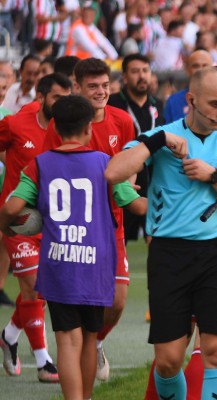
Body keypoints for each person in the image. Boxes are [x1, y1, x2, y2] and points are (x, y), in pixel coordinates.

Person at [105, 66, 217, 400]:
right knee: (168, 361)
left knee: (216, 353)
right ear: (191, 100)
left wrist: (215, 178)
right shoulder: (163, 135)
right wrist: (157, 141)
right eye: (215, 104)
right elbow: (114, 172)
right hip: (169, 255)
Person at [0, 94, 146, 400]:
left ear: (55, 128)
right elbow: (134, 205)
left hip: (59, 264)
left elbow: (12, 208)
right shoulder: (106, 164)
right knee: (90, 337)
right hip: (96, 263)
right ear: (89, 129)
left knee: (67, 340)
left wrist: (5, 226)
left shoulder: (39, 165)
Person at [43, 57, 136, 382]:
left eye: (105, 85)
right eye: (93, 86)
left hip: (111, 226)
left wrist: (128, 186)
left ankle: (95, 343)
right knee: (71, 311)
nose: (101, 92)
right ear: (77, 87)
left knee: (118, 301)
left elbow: (130, 162)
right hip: (73, 229)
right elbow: (49, 166)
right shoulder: (61, 124)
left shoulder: (122, 121)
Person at [0, 73, 71, 383]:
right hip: (19, 220)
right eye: (57, 97)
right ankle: (44, 362)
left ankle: (9, 335)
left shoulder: (69, 129)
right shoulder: (17, 123)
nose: (63, 104)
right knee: (32, 285)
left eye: (66, 97)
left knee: (41, 291)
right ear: (41, 98)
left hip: (54, 222)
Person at [108, 53, 164, 243]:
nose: (141, 76)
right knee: (117, 239)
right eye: (135, 71)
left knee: (157, 241)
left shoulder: (158, 105)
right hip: (124, 179)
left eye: (145, 71)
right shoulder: (113, 104)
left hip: (154, 180)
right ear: (124, 77)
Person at [163, 49, 213, 123]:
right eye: (196, 66)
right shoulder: (174, 101)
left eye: (205, 66)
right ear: (187, 70)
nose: (200, 70)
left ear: (212, 70)